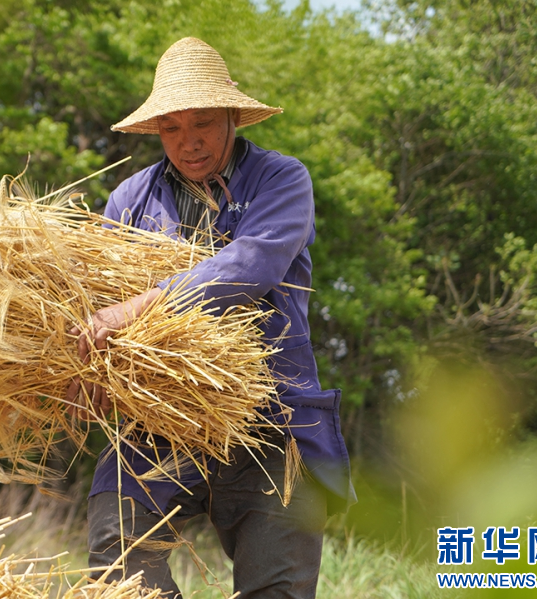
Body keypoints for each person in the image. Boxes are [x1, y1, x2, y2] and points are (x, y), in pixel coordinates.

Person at [67, 37, 355, 599]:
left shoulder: (281, 180)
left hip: (270, 419)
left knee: (276, 586)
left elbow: (250, 266)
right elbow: (96, 301)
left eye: (202, 122)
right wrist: (92, 364)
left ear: (231, 118)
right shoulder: (130, 200)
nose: (189, 140)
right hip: (157, 421)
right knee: (117, 554)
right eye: (171, 127)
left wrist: (139, 305)